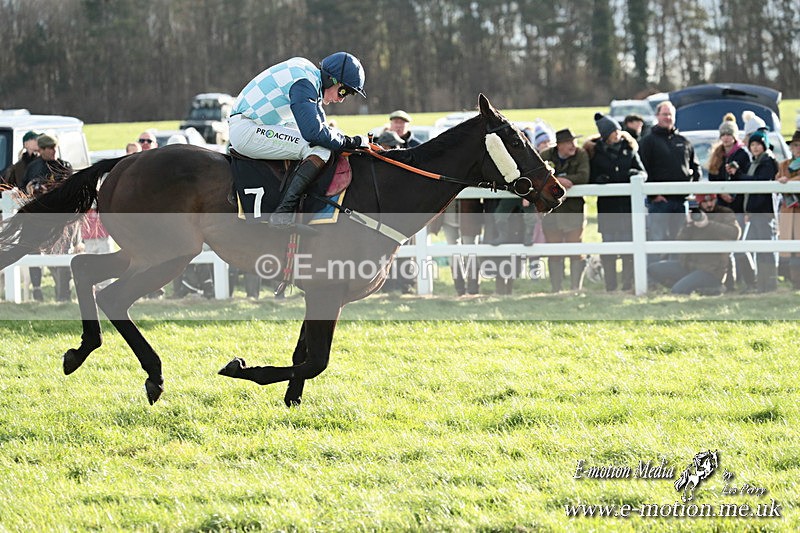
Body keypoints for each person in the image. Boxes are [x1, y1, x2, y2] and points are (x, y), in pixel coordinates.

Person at [228, 52, 367, 228]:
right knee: (320, 149)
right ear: (332, 80)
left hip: (253, 124)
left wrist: (347, 140)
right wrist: (351, 141)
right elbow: (314, 133)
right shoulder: (305, 83)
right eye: (344, 91)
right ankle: (283, 213)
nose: (341, 99)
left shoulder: (309, 76)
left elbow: (324, 129)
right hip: (246, 130)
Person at [586, 112, 646, 292]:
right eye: (613, 131)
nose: (617, 133)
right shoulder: (595, 153)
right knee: (609, 249)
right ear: (606, 135)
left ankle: (627, 284)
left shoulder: (629, 149)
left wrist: (636, 175)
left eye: (618, 129)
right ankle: (610, 286)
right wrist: (598, 180)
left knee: (629, 249)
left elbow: (643, 172)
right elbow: (589, 177)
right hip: (608, 209)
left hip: (628, 208)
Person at [639, 101, 701, 262]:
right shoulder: (648, 141)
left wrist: (692, 190)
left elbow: (696, 167)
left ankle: (675, 276)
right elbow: (642, 170)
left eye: (670, 114)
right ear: (657, 116)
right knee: (657, 239)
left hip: (681, 201)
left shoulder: (684, 141)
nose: (667, 117)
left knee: (680, 239)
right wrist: (653, 195)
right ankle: (654, 278)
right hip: (659, 202)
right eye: (664, 114)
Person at [21, 134, 77, 301]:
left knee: (62, 254)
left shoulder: (64, 165)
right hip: (37, 220)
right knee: (34, 253)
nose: (53, 151)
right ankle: (37, 291)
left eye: (55, 147)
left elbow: (71, 190)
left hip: (60, 220)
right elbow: (25, 190)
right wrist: (34, 189)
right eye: (49, 148)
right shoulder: (33, 167)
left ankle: (63, 295)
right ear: (41, 150)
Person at [648, 194, 740, 295]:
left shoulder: (724, 213)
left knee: (678, 291)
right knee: (653, 269)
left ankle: (711, 287)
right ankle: (694, 287)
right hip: (689, 266)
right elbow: (680, 242)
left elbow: (735, 233)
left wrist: (708, 224)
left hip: (711, 269)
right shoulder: (694, 214)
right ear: (699, 202)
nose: (709, 204)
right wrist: (688, 225)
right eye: (705, 202)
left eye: (712, 200)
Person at [707, 113, 754, 291]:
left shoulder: (742, 154)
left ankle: (750, 280)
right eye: (723, 134)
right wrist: (721, 193)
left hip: (738, 206)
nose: (726, 138)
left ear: (734, 136)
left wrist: (733, 194)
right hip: (722, 206)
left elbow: (746, 179)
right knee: (724, 246)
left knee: (739, 244)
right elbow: (713, 178)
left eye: (729, 134)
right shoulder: (717, 154)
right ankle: (730, 284)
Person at [539, 128, 590, 291]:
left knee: (575, 248)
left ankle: (576, 287)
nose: (573, 145)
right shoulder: (546, 156)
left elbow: (584, 176)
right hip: (551, 210)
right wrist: (559, 180)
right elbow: (538, 177)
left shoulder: (581, 155)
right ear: (559, 145)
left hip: (573, 209)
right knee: (554, 250)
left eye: (574, 141)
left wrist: (563, 179)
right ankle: (556, 289)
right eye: (569, 142)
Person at [742, 129, 779, 292]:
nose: (755, 148)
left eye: (758, 144)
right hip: (756, 212)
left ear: (764, 146)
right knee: (759, 249)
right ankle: (762, 284)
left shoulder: (767, 161)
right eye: (753, 145)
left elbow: (760, 183)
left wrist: (740, 177)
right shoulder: (755, 162)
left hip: (764, 212)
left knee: (766, 248)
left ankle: (769, 284)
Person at [776, 129, 800, 289]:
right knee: (788, 247)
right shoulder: (784, 164)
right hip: (787, 209)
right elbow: (778, 179)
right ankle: (793, 281)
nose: (796, 149)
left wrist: (789, 182)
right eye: (794, 145)